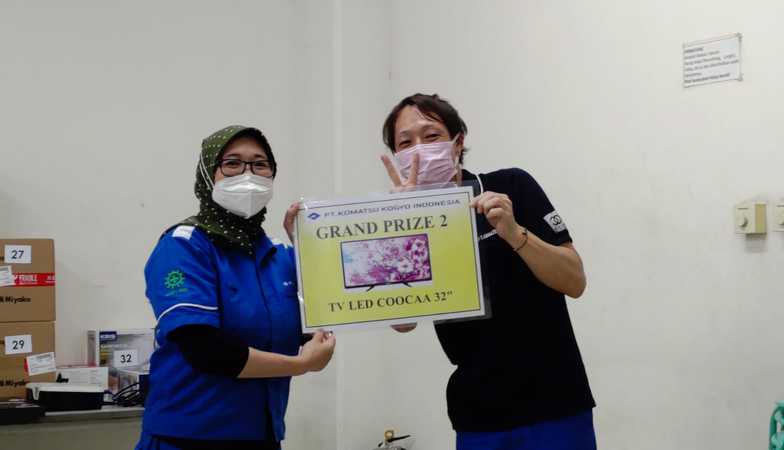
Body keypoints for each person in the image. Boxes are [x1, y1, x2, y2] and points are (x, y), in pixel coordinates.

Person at [380, 94, 596, 450]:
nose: (419, 150)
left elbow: (575, 281)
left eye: (431, 136)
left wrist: (514, 233)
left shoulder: (512, 187)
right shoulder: (406, 223)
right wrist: (402, 231)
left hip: (555, 402)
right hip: (478, 414)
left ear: (458, 142)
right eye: (405, 143)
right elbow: (402, 323)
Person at [135, 125, 336, 450]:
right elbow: (205, 349)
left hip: (261, 436)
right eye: (232, 163)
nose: (248, 174)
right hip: (188, 438)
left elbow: (320, 323)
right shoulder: (183, 246)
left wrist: (308, 251)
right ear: (207, 174)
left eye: (260, 164)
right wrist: (302, 365)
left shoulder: (279, 255)